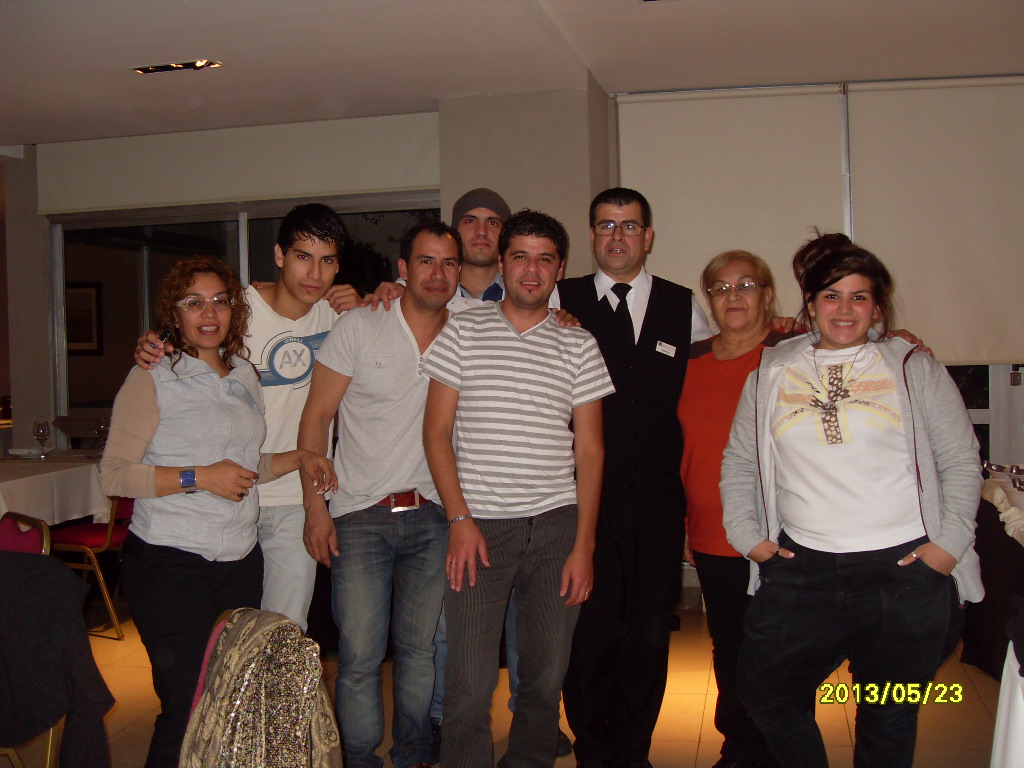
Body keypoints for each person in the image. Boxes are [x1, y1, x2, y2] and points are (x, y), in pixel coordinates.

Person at [721, 235, 983, 768]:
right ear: (811, 304)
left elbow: (960, 460)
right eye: (831, 296)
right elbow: (740, 461)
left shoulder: (913, 368)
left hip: (904, 571)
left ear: (877, 307)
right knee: (766, 693)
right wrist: (748, 537)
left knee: (889, 714)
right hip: (803, 568)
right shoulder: (771, 371)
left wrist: (947, 548)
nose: (844, 309)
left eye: (859, 297)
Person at [101, 256, 335, 768]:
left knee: (230, 703)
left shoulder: (244, 374)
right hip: (169, 562)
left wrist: (299, 457)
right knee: (186, 706)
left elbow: (245, 468)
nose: (209, 313)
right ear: (174, 312)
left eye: (220, 301)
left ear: (235, 310)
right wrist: (200, 477)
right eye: (194, 302)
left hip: (238, 563)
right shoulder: (152, 376)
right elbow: (114, 475)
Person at [423, 209, 614, 768]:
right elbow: (435, 433)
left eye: (544, 259)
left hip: (556, 529)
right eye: (520, 257)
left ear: (560, 268)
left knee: (544, 680)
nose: (532, 270)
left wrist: (584, 545)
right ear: (502, 264)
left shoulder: (578, 343)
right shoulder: (463, 330)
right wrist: (459, 520)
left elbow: (590, 451)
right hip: (479, 529)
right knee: (468, 684)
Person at [133, 203, 358, 630]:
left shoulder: (341, 316)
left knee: (284, 632)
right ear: (279, 255)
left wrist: (376, 297)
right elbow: (180, 341)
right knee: (226, 634)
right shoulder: (235, 310)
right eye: (303, 257)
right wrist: (153, 343)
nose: (314, 274)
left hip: (296, 496)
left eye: (327, 261)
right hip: (229, 494)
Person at [297, 220, 464, 768]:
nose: (437, 273)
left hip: (433, 516)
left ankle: (413, 755)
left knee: (419, 652)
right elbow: (316, 418)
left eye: (448, 263)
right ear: (403, 269)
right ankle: (361, 759)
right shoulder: (360, 326)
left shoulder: (470, 330)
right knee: (361, 657)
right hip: (359, 515)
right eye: (425, 261)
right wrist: (315, 509)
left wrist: (563, 315)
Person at [558, 187, 713, 768]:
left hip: (657, 502)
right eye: (606, 225)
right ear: (591, 236)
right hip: (581, 500)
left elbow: (726, 363)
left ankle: (634, 748)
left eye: (629, 226)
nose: (617, 236)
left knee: (648, 632)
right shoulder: (561, 299)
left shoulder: (683, 306)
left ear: (648, 237)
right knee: (588, 631)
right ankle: (593, 748)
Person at [677, 251, 798, 768]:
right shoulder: (687, 362)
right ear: (708, 300)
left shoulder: (794, 353)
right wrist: (682, 522)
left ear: (767, 296)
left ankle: (779, 750)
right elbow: (676, 448)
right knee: (729, 647)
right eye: (721, 288)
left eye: (746, 285)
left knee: (781, 652)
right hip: (711, 531)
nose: (733, 296)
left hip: (781, 534)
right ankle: (739, 749)